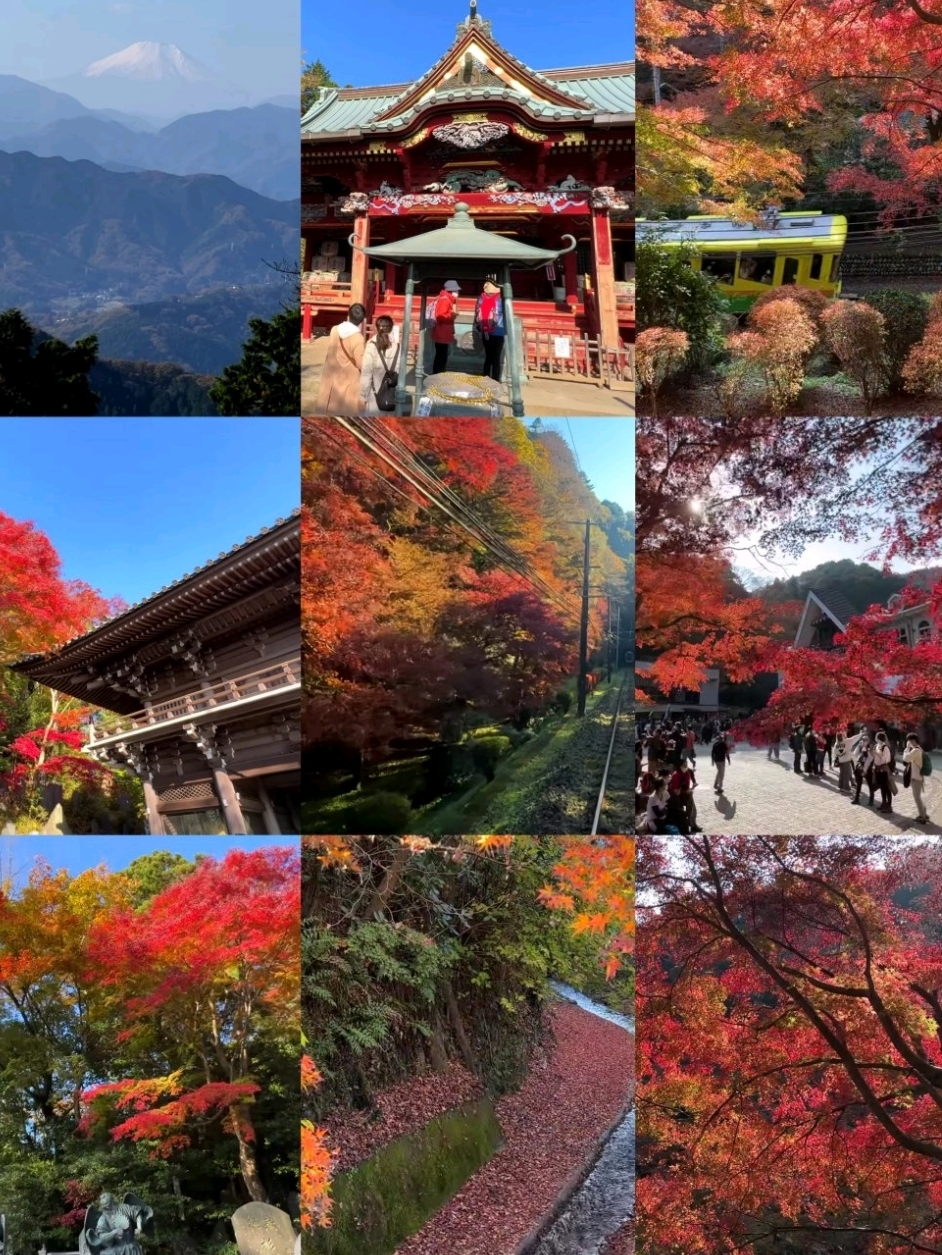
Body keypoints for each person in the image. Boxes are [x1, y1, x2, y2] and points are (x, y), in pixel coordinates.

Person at [316, 303, 366, 415]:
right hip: (348, 381)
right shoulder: (358, 339)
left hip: (331, 378)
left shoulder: (335, 329)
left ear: (348, 315)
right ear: (362, 320)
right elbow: (361, 364)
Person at [359, 316, 400, 414]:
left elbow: (366, 374)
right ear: (391, 328)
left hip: (374, 396)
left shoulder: (371, 346)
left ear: (376, 327)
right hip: (391, 396)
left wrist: (362, 397)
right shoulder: (399, 347)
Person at [474, 275, 506, 380]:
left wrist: (479, 328)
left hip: (485, 332)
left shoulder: (480, 298)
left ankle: (485, 377)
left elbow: (476, 315)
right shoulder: (501, 299)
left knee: (488, 356)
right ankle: (496, 380)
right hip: (499, 331)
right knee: (496, 358)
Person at [430, 280, 460, 373]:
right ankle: (437, 373)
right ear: (451, 291)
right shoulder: (445, 300)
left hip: (442, 331)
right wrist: (452, 316)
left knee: (441, 354)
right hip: (442, 332)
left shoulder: (446, 299)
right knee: (441, 355)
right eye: (456, 290)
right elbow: (440, 316)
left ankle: (439, 372)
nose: (457, 292)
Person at [903, 733, 930, 823]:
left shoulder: (915, 751)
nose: (909, 742)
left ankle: (922, 817)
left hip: (916, 777)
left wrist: (906, 749)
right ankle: (924, 814)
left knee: (917, 797)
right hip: (919, 776)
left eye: (910, 741)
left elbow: (906, 759)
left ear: (913, 740)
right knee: (918, 797)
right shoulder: (919, 749)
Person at [872, 731, 893, 812]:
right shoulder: (877, 746)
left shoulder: (885, 748)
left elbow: (886, 759)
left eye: (876, 736)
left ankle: (889, 805)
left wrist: (877, 754)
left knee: (886, 787)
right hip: (877, 769)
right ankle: (883, 803)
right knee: (882, 787)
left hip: (883, 769)